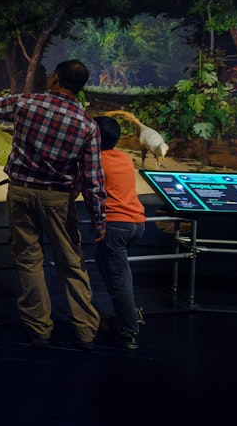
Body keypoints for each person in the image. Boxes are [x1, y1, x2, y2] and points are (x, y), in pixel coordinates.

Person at [0, 60, 106, 351]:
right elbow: (92, 181)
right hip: (58, 199)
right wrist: (99, 220)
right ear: (79, 88)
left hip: (21, 193)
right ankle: (86, 331)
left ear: (54, 78)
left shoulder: (27, 103)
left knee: (29, 260)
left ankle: (40, 329)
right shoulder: (87, 125)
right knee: (72, 263)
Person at [92, 115, 146, 350]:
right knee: (109, 269)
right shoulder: (125, 158)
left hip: (115, 226)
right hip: (137, 224)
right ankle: (123, 316)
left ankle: (129, 329)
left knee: (118, 279)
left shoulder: (95, 161)